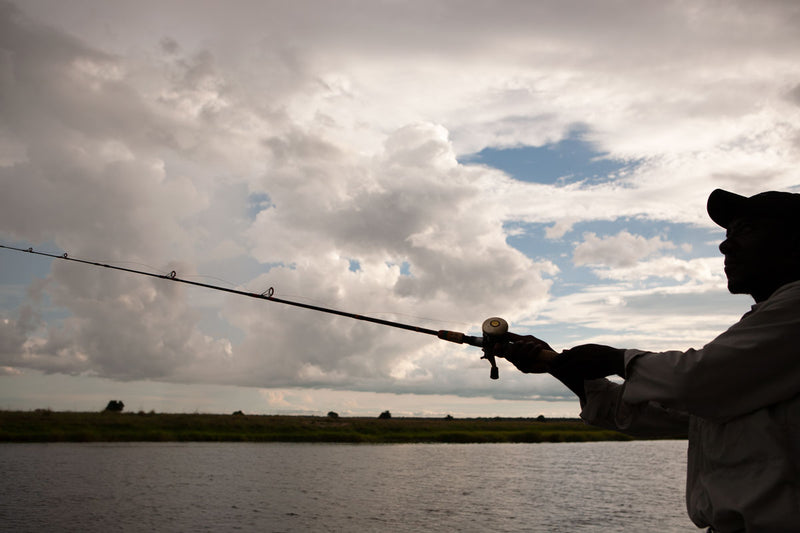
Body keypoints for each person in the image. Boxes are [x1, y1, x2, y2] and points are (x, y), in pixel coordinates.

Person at [494, 189, 800, 532]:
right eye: (727, 235)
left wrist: (614, 358)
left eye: (745, 230)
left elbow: (692, 381)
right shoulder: (758, 338)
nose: (725, 246)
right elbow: (648, 413)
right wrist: (555, 365)